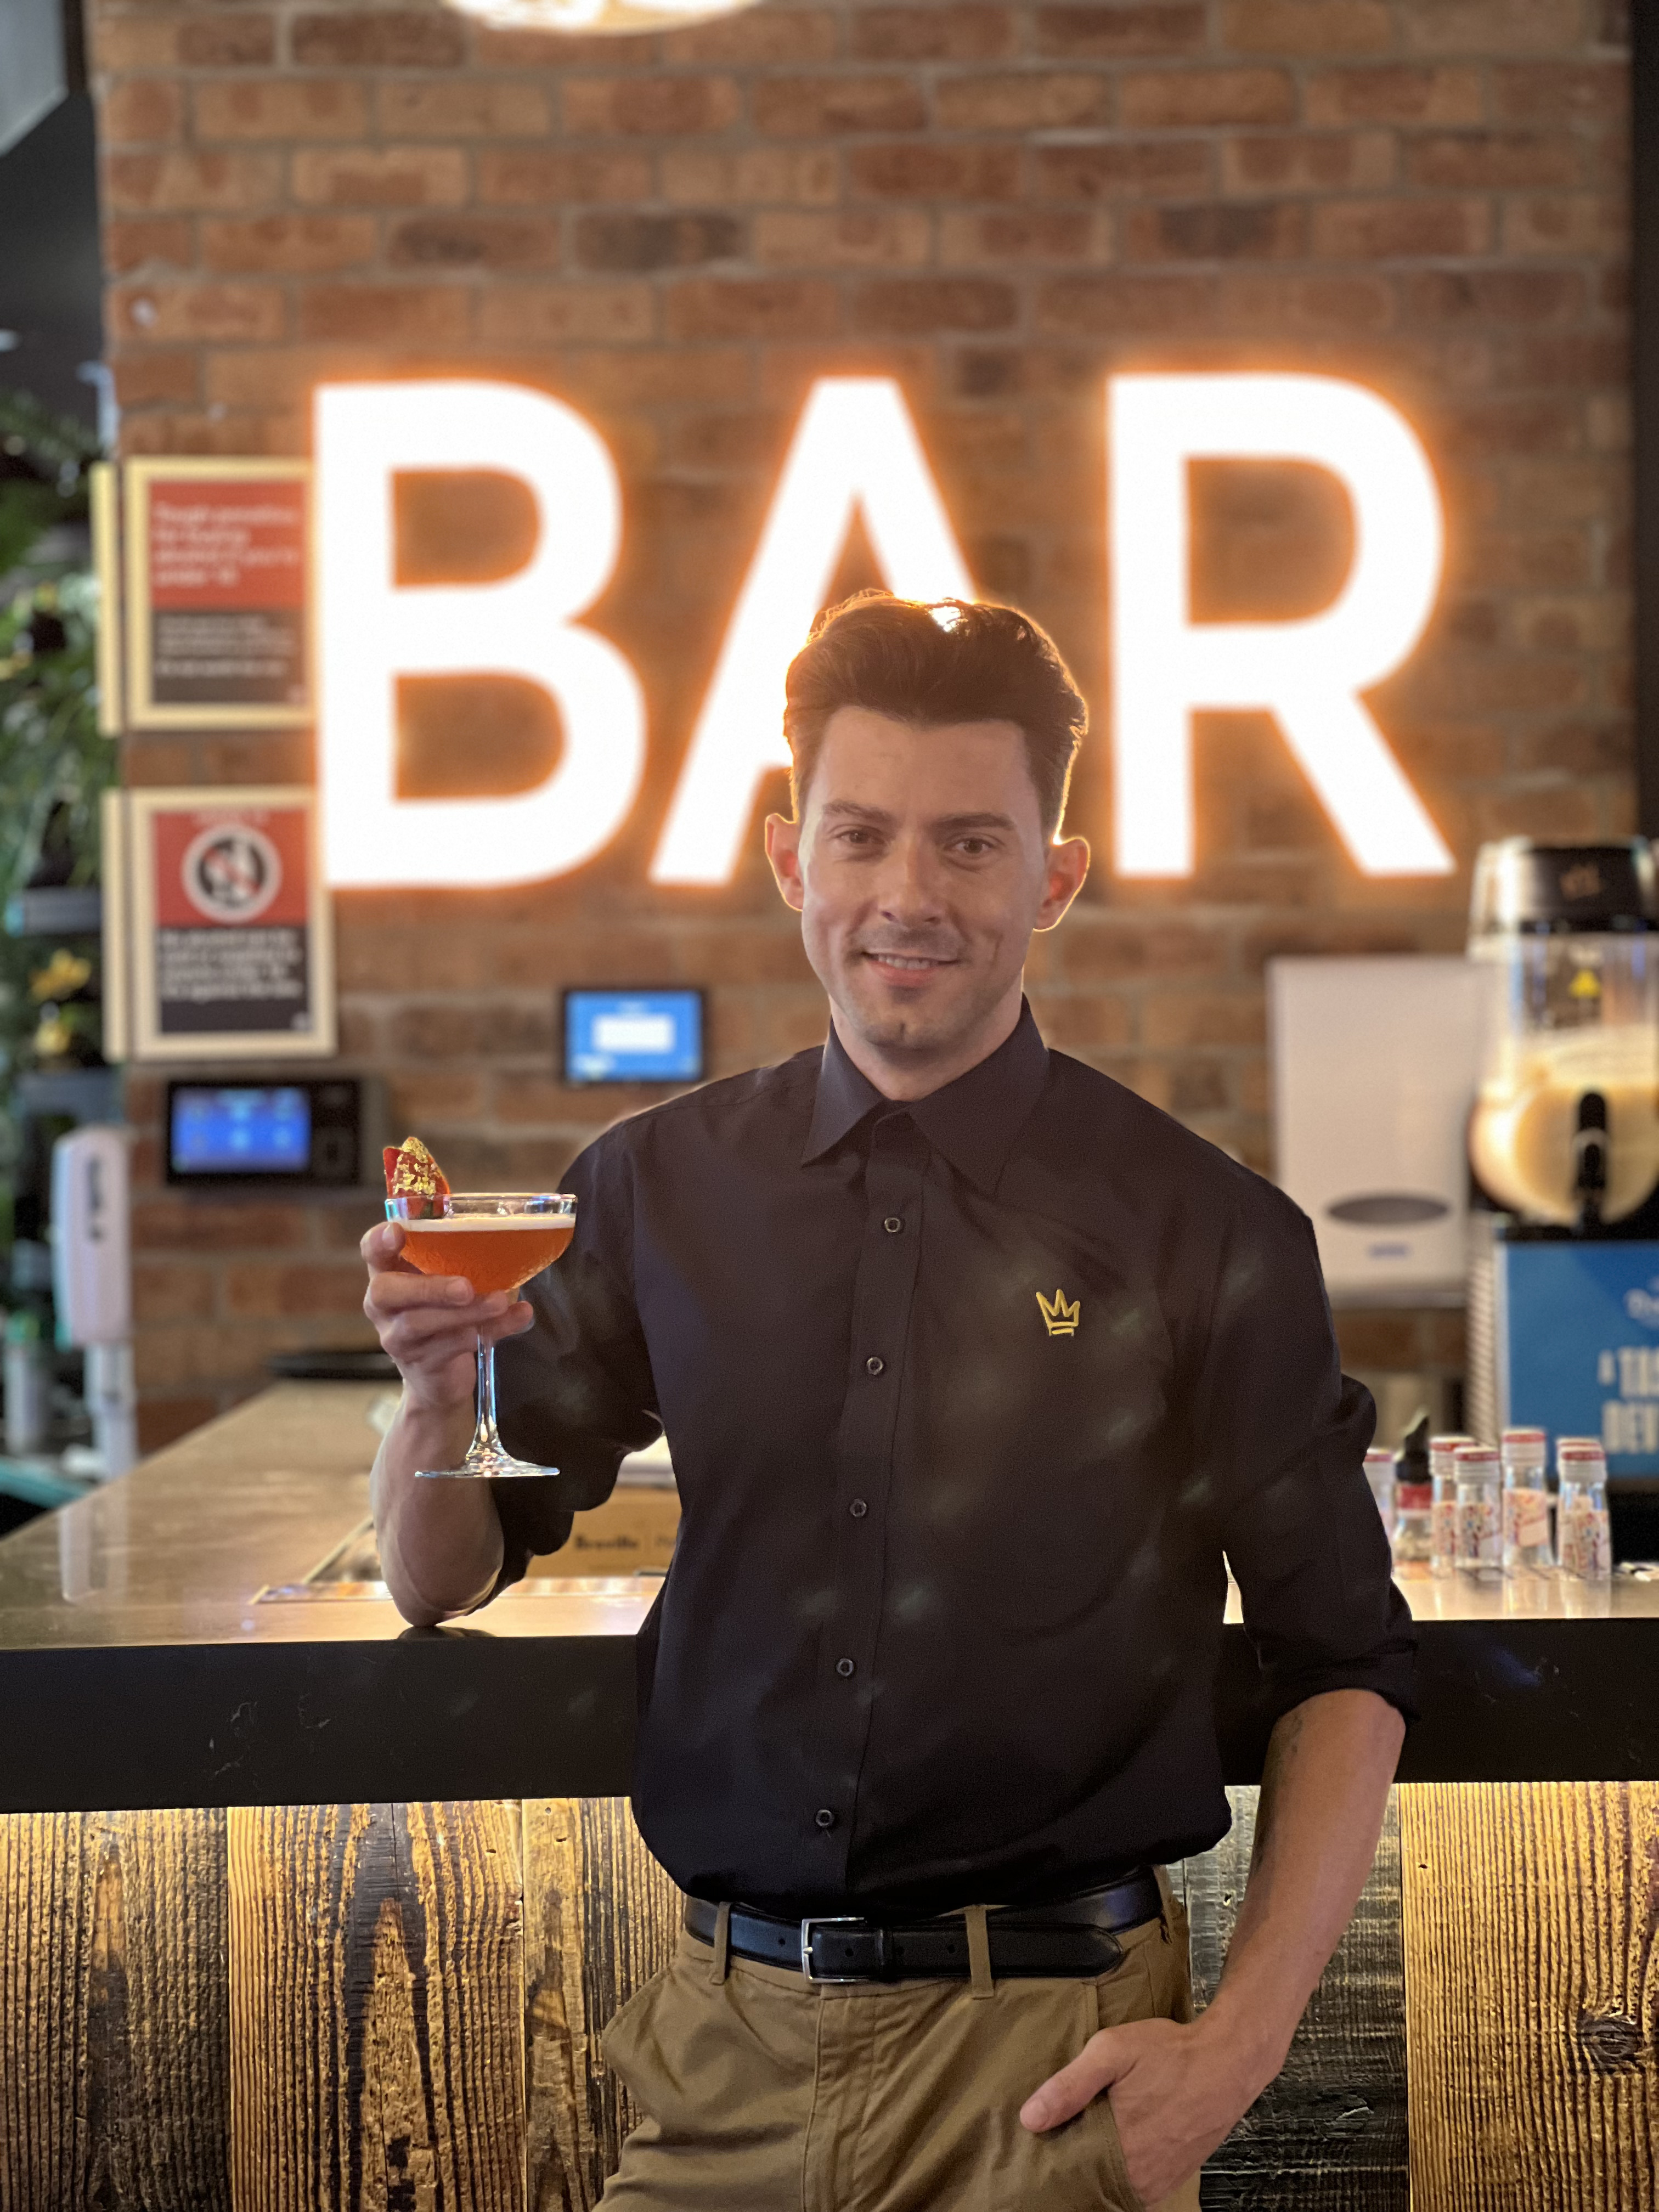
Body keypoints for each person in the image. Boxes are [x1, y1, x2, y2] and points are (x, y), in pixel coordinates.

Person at [363, 592, 1414, 2212]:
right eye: (861, 836)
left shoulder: (1204, 1228)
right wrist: (438, 1400)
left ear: (1054, 878)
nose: (906, 897)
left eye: (971, 846)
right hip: (719, 2059)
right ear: (791, 858)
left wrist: (1240, 2052)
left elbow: (1343, 1659)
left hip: (1051, 2081)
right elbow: (445, 1578)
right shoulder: (651, 1190)